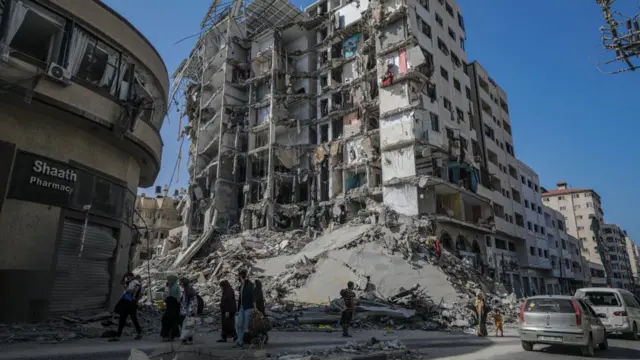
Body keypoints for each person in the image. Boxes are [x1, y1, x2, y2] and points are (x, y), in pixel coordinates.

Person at [109, 273, 142, 342]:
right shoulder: (129, 282)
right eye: (127, 277)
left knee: (133, 318)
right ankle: (118, 336)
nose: (128, 278)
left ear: (132, 276)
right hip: (126, 302)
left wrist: (129, 291)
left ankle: (140, 333)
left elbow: (136, 289)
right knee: (122, 319)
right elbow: (122, 282)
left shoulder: (136, 282)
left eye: (128, 277)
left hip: (131, 303)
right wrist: (124, 276)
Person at [235, 269, 255, 348]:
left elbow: (253, 296)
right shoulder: (241, 286)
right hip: (242, 308)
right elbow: (240, 297)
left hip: (248, 307)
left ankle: (242, 341)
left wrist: (254, 307)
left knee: (245, 326)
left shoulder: (249, 285)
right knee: (239, 324)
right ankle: (240, 340)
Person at [161, 275, 182, 342]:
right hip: (172, 305)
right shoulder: (171, 286)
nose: (168, 281)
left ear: (172, 280)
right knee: (169, 320)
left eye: (169, 280)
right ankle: (169, 336)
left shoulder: (175, 287)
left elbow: (169, 296)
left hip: (174, 305)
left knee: (170, 321)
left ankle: (169, 336)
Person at [179, 277, 198, 345]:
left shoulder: (189, 290)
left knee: (186, 326)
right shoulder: (187, 289)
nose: (180, 284)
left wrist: (190, 311)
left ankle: (185, 339)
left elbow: (193, 302)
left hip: (187, 311)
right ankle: (189, 339)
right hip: (185, 310)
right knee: (189, 325)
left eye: (180, 282)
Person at [253, 279, 269, 344]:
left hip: (258, 309)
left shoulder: (256, 291)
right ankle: (264, 336)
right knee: (262, 324)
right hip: (262, 309)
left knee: (257, 324)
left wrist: (255, 308)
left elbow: (254, 300)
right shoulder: (260, 290)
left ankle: (260, 337)